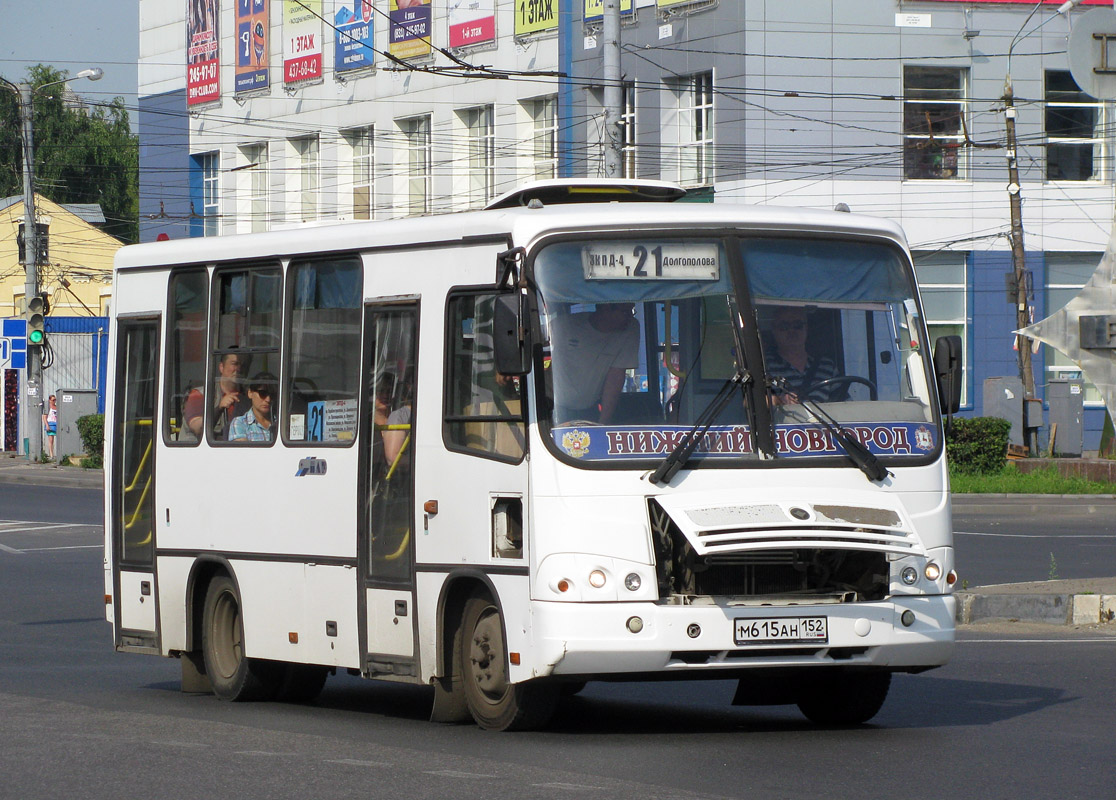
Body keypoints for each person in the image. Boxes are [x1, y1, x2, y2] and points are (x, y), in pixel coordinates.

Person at [549, 302, 640, 424]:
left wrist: (603, 424)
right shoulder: (563, 325)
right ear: (604, 308)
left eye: (631, 311)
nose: (629, 317)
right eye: (625, 312)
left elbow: (615, 378)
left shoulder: (630, 328)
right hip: (551, 406)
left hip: (589, 408)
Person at [764, 306, 843, 404]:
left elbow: (845, 404)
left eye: (797, 325)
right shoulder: (764, 366)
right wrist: (778, 400)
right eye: (784, 326)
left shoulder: (827, 366)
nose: (791, 331)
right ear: (774, 330)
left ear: (806, 328)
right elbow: (748, 402)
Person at [183, 351, 251, 440]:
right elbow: (198, 428)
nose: (239, 368)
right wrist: (219, 408)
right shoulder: (199, 394)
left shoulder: (250, 397)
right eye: (234, 364)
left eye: (243, 365)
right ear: (221, 367)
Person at [228, 372, 276, 442]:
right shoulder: (240, 423)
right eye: (263, 393)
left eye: (272, 395)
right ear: (250, 393)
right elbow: (242, 451)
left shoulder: (282, 423)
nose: (268, 399)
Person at [43, 394, 58, 461]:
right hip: (50, 424)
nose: (54, 401)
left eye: (55, 400)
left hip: (56, 424)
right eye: (53, 400)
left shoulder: (56, 407)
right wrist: (47, 425)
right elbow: (44, 417)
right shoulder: (48, 407)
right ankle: (51, 454)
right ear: (49, 400)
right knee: (51, 440)